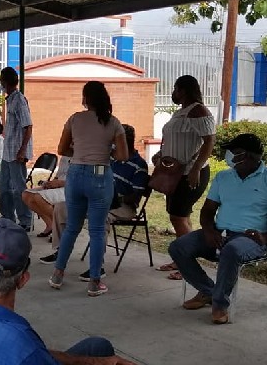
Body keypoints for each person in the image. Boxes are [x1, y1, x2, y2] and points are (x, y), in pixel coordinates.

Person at [0, 218, 135, 365]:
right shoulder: (17, 339)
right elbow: (26, 352)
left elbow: (32, 353)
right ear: (23, 280)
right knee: (101, 347)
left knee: (97, 349)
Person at [169, 133, 267, 325]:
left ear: (247, 156)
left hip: (252, 239)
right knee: (178, 247)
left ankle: (220, 304)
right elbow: (207, 211)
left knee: (231, 250)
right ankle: (209, 292)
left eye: (234, 152)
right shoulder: (223, 177)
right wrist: (208, 230)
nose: (228, 155)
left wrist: (264, 236)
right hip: (219, 233)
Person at [50, 81, 128, 297]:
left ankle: (58, 274)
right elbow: (122, 155)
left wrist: (80, 148)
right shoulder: (113, 122)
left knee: (72, 228)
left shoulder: (75, 118)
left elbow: (61, 149)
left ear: (86, 98)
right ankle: (94, 282)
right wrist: (107, 150)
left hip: (75, 174)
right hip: (100, 176)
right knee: (96, 230)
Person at [41, 125, 148, 281]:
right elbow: (97, 176)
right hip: (98, 199)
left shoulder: (139, 165)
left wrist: (111, 195)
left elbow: (135, 196)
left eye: (115, 141)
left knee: (100, 218)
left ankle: (98, 267)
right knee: (62, 207)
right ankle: (60, 250)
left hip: (122, 205)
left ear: (126, 142)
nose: (112, 145)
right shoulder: (108, 159)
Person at [154, 75, 215, 280]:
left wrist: (197, 168)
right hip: (174, 172)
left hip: (190, 173)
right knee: (178, 216)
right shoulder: (182, 112)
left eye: (175, 89)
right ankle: (181, 258)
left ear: (183, 90)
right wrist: (161, 155)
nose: (173, 93)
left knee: (178, 216)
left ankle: (186, 262)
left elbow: (209, 141)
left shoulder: (198, 110)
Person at [0, 67, 33, 231]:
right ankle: (7, 218)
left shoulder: (19, 100)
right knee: (4, 187)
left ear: (5, 82)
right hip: (8, 152)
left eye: (1, 80)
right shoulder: (10, 99)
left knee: (19, 189)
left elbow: (28, 127)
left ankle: (25, 221)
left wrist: (22, 150)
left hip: (17, 152)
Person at [22, 155, 71, 238]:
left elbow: (83, 182)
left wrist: (60, 183)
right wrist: (51, 183)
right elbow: (58, 175)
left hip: (71, 189)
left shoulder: (83, 157)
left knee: (39, 197)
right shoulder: (66, 156)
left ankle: (60, 227)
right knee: (26, 195)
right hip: (59, 186)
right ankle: (50, 224)